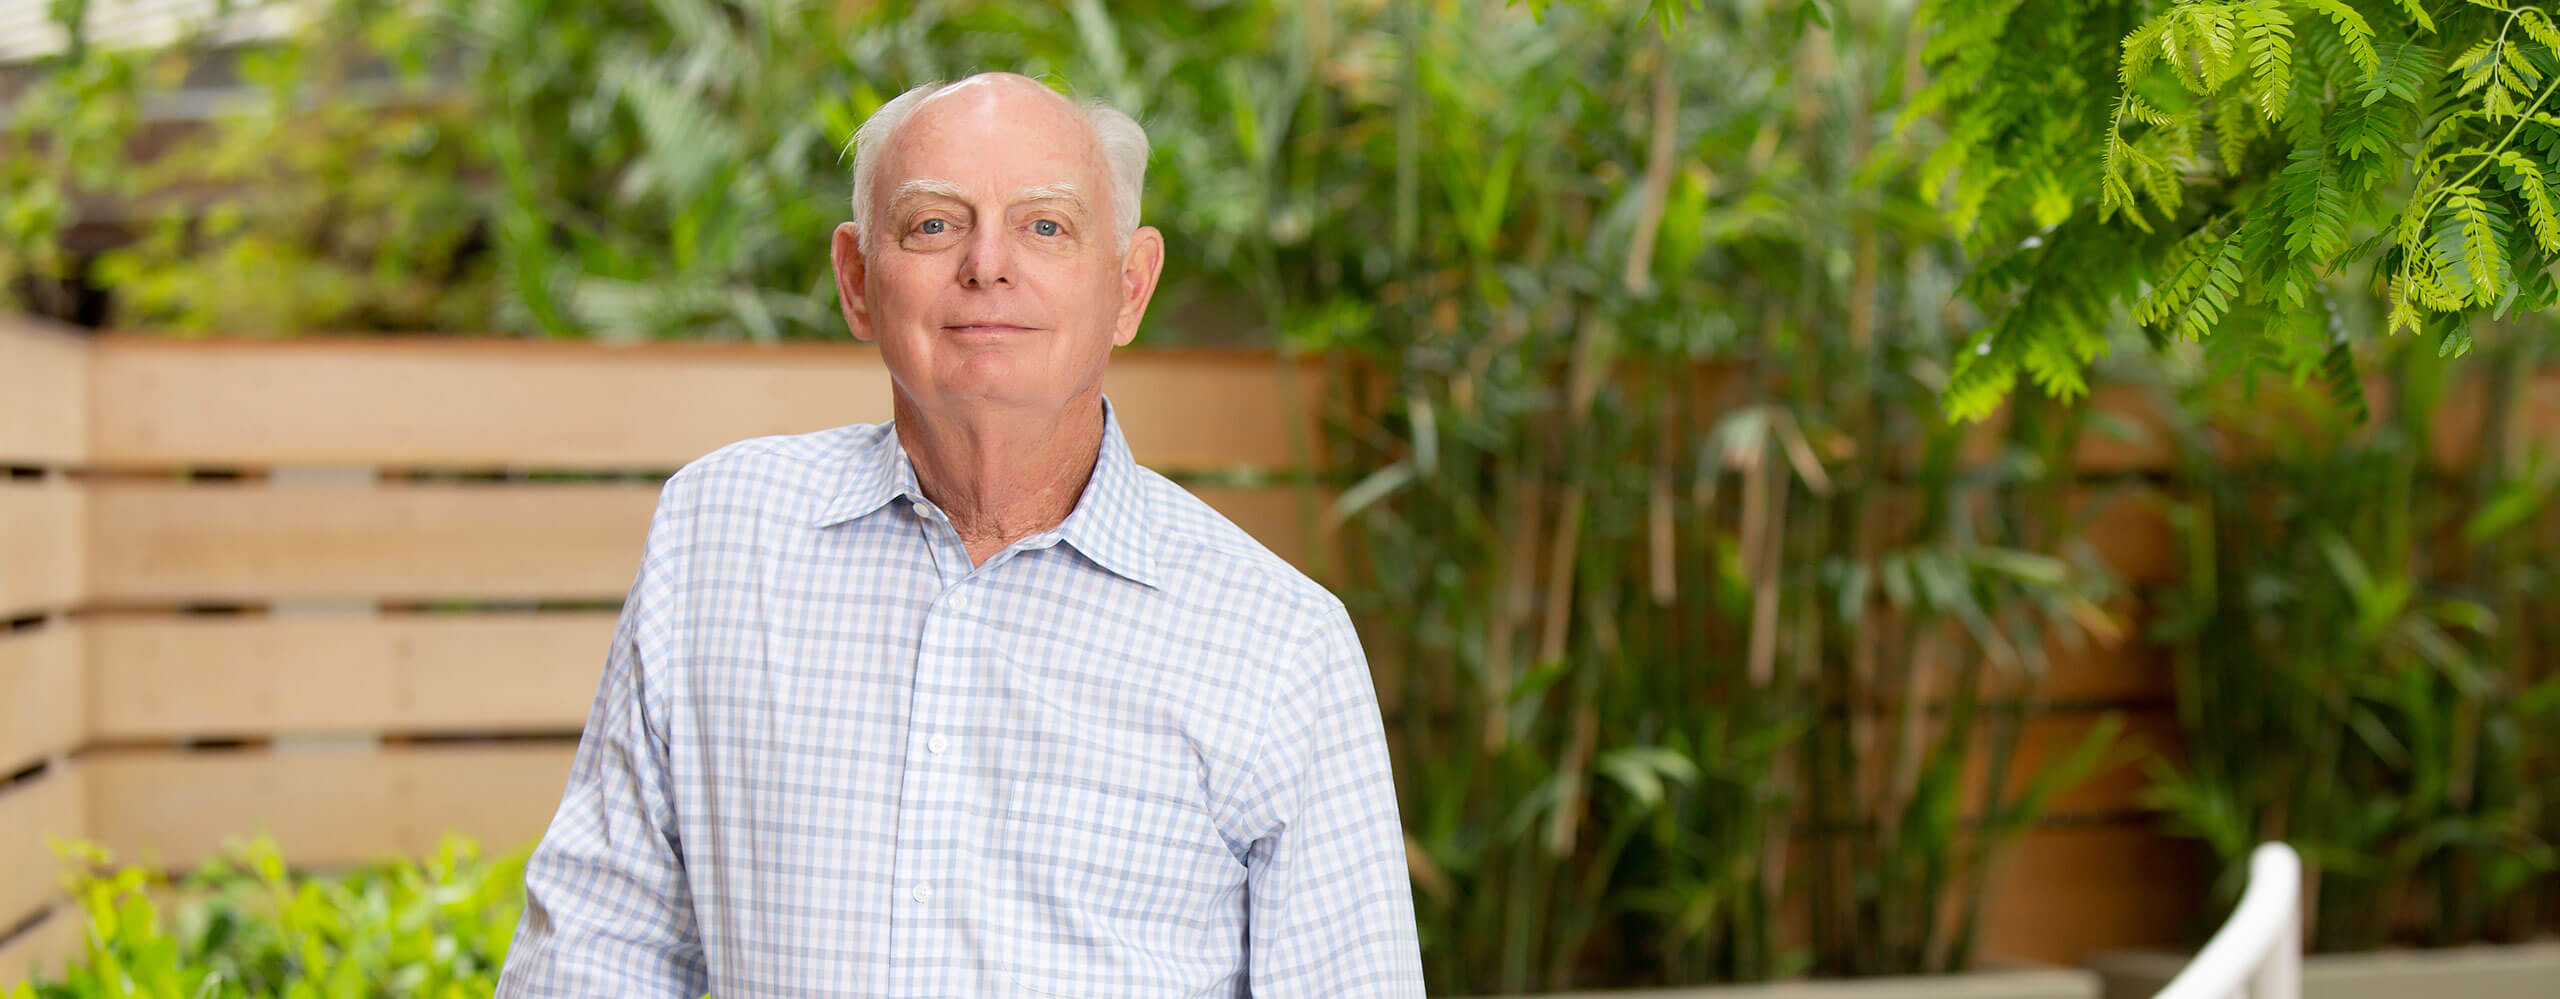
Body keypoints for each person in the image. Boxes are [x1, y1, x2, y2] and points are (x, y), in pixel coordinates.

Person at [492, 73, 1425, 998]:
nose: (987, 264)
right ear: (857, 280)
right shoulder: (717, 539)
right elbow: (595, 953)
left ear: (1130, 287)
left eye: (1045, 226)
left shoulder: (1281, 642)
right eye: (934, 224)